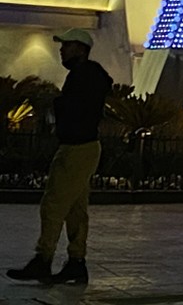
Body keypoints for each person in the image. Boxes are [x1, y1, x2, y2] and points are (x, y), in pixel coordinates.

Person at [7, 28, 112, 285]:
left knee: (53, 204)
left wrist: (56, 104)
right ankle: (76, 262)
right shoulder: (90, 75)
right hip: (85, 146)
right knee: (75, 208)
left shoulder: (82, 75)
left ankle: (43, 260)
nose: (61, 50)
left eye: (66, 45)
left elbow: (74, 108)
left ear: (80, 48)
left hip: (76, 147)